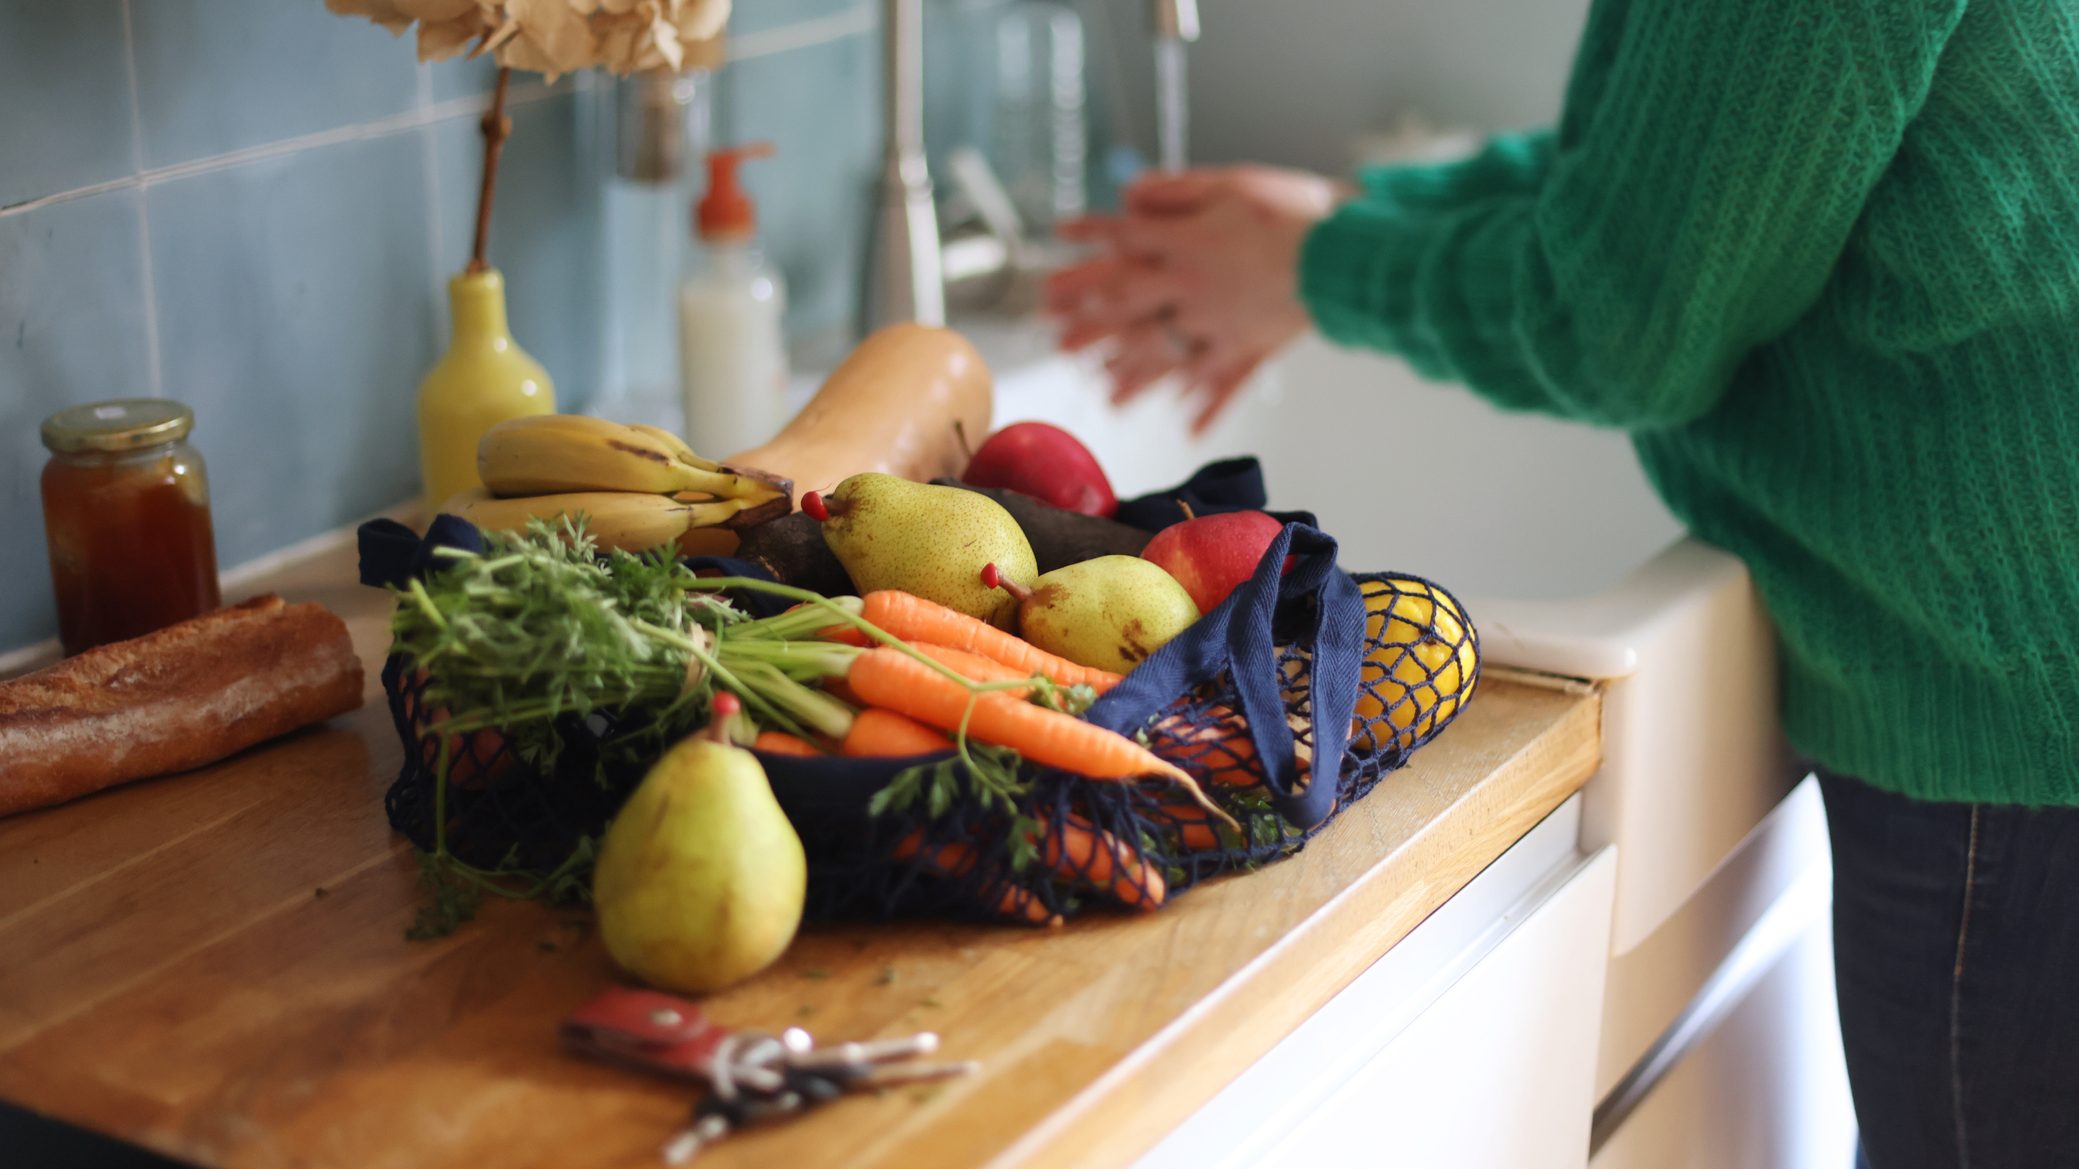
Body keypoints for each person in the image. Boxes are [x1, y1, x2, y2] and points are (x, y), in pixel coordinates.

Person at [1044, 3, 2079, 1167]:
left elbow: (1623, 322)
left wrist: (1323, 261)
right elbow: (1686, 168)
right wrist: (1342, 231)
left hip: (2019, 702)